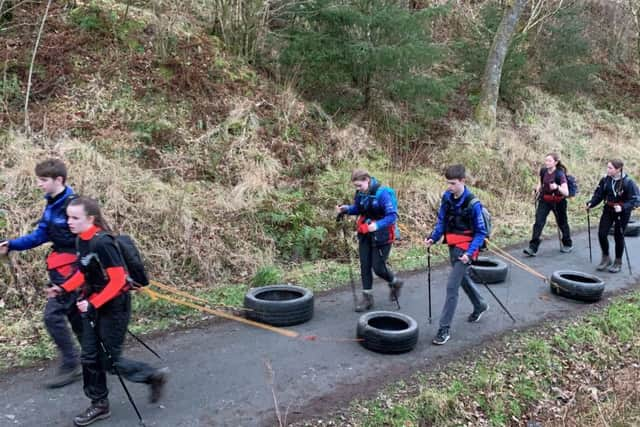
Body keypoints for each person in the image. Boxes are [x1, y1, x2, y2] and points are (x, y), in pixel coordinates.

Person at [48, 196, 167, 426]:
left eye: (75, 218)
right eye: (68, 217)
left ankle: (151, 376)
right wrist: (63, 288)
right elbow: (83, 272)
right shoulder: (80, 240)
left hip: (114, 307)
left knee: (108, 360)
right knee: (89, 356)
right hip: (94, 304)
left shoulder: (102, 243)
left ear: (90, 219)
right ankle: (99, 404)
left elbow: (118, 281)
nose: (69, 222)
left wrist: (93, 303)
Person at [0, 159, 83, 388]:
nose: (39, 184)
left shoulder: (74, 206)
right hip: (59, 269)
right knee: (75, 317)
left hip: (73, 271)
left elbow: (88, 239)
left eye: (43, 180)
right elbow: (41, 235)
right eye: (38, 179)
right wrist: (12, 244)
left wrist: (86, 270)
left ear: (59, 180)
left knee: (53, 316)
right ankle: (94, 358)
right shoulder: (52, 204)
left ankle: (72, 365)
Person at [425, 164, 488, 345]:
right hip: (452, 245)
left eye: (453, 183)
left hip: (467, 248)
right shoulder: (447, 197)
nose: (449, 187)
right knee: (461, 279)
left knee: (452, 286)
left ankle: (444, 329)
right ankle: (480, 304)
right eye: (448, 183)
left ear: (462, 181)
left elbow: (481, 233)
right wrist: (433, 237)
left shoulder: (473, 203)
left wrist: (469, 253)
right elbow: (442, 221)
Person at [335, 169, 402, 312]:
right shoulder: (361, 193)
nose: (358, 189)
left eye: (359, 185)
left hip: (383, 234)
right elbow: (359, 208)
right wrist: (346, 209)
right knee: (365, 265)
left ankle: (395, 282)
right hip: (365, 232)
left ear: (367, 179)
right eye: (356, 186)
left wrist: (377, 225)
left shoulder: (382, 193)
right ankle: (367, 298)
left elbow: (392, 216)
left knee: (378, 267)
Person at [586, 159, 640, 273]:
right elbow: (599, 195)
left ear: (618, 169)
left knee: (618, 236)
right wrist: (591, 203)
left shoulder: (628, 182)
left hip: (622, 212)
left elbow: (636, 200)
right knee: (601, 234)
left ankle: (618, 261)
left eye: (610, 168)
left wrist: (623, 207)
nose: (608, 170)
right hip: (608, 209)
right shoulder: (605, 180)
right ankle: (606, 258)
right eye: (608, 167)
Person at [523, 152, 573, 256]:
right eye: (546, 160)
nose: (547, 163)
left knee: (562, 223)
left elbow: (566, 192)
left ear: (555, 162)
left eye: (549, 161)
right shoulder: (543, 171)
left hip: (558, 201)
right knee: (538, 222)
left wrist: (557, 187)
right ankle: (533, 248)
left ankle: (567, 243)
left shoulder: (560, 174)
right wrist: (537, 189)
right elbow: (541, 183)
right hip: (545, 200)